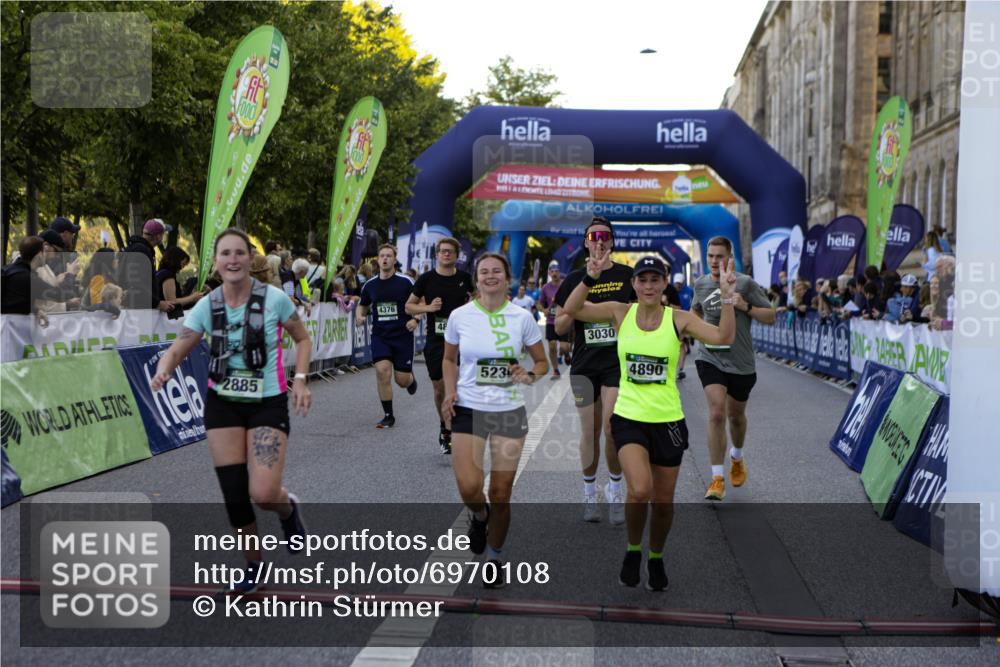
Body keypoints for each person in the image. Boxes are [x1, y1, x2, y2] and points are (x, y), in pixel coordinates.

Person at [150, 229, 312, 594]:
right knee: (235, 493)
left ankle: (288, 511)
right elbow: (180, 346)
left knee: (264, 493)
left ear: (248, 259)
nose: (233, 260)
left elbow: (302, 339)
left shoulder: (275, 299)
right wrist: (164, 369)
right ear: (217, 261)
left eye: (240, 253)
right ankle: (254, 565)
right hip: (222, 404)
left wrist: (300, 380)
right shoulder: (208, 304)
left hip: (267, 402)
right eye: (226, 254)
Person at [563, 251, 736, 590]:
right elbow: (572, 310)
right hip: (628, 416)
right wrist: (589, 277)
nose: (648, 286)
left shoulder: (680, 319)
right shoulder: (619, 312)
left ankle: (655, 555)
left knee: (663, 502)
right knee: (640, 490)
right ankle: (632, 549)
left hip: (668, 421)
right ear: (633, 284)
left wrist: (728, 298)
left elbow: (723, 338)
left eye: (655, 280)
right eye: (642, 280)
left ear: (664, 283)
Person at [441, 252, 548, 587]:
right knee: (470, 487)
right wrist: (449, 391)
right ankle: (478, 515)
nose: (490, 277)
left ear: (507, 278)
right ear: (476, 278)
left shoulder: (522, 317)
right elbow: (448, 358)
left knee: (501, 492)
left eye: (496, 272)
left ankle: (495, 557)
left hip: (508, 410)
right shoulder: (460, 316)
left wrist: (527, 374)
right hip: (469, 407)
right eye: (484, 272)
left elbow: (542, 364)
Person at [554, 217, 635, 524]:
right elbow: (561, 324)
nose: (599, 241)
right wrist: (583, 304)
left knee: (613, 427)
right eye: (593, 236)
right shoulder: (574, 277)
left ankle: (615, 489)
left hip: (616, 363)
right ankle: (590, 494)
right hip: (585, 364)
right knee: (590, 432)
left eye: (605, 236)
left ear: (612, 242)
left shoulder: (628, 275)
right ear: (586, 242)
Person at [692, 237, 776, 501]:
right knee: (717, 412)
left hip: (740, 361)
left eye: (720, 256)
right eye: (711, 256)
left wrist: (745, 306)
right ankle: (717, 479)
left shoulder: (746, 283)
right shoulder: (702, 284)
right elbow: (695, 312)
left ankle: (736, 457)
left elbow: (771, 316)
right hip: (710, 357)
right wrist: (700, 332)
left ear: (730, 258)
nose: (715, 262)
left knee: (736, 417)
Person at [406, 237, 474, 454]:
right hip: (436, 341)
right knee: (439, 388)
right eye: (443, 251)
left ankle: (452, 429)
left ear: (456, 256)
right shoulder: (426, 279)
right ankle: (444, 427)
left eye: (450, 252)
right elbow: (409, 307)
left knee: (457, 386)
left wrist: (472, 306)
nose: (446, 255)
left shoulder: (465, 278)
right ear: (437, 255)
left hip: (462, 341)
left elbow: (480, 300)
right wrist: (428, 307)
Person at [357, 244, 420, 428]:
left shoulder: (406, 282)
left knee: (401, 380)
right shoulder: (370, 285)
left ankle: (410, 379)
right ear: (378, 259)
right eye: (382, 256)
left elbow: (420, 302)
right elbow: (363, 304)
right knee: (382, 372)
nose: (385, 259)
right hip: (380, 335)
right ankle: (388, 415)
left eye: (389, 256)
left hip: (402, 336)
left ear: (394, 259)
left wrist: (415, 319)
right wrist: (360, 315)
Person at [121, 218, 173, 312]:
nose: (163, 237)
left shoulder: (137, 248)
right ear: (158, 236)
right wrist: (157, 303)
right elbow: (137, 284)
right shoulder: (141, 251)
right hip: (139, 311)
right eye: (163, 234)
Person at [1, 236, 52, 314]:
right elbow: (57, 295)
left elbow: (15, 303)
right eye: (44, 252)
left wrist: (36, 311)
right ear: (39, 254)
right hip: (14, 325)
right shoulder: (29, 278)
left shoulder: (8, 271)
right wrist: (69, 274)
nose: (46, 255)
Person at [539, 261, 569, 379]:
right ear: (549, 273)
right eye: (552, 271)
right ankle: (555, 370)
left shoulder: (565, 285)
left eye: (557, 271)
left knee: (564, 347)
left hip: (563, 320)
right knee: (552, 346)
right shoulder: (545, 288)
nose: (555, 273)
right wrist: (544, 310)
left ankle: (566, 353)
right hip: (551, 321)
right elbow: (540, 304)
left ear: (559, 272)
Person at [156, 247, 202, 315]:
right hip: (168, 318)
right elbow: (172, 301)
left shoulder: (160, 273)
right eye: (184, 262)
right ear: (177, 259)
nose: (184, 266)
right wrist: (192, 297)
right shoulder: (167, 275)